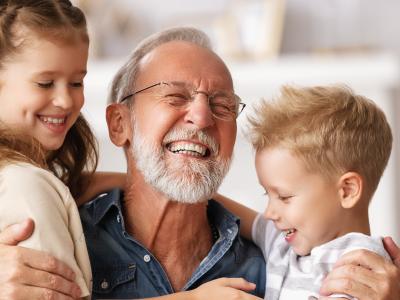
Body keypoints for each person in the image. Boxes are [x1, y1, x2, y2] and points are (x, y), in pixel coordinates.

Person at [0, 27, 400, 300]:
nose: (203, 117)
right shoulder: (61, 235)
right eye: (175, 97)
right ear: (119, 125)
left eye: (222, 105)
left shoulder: (280, 261)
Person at [216, 85, 396, 299]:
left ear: (347, 191)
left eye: (284, 197)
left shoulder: (361, 271)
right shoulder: (284, 241)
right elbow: (213, 201)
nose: (269, 213)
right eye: (268, 195)